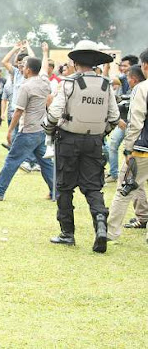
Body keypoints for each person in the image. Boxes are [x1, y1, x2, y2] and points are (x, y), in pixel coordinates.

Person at [43, 40, 119, 253]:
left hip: (68, 140)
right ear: (95, 63)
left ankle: (67, 233)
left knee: (65, 187)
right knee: (93, 186)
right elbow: (113, 117)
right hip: (94, 141)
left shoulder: (68, 83)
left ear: (75, 63)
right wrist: (100, 133)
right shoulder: (106, 85)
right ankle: (101, 225)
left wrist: (49, 131)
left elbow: (54, 114)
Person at [0, 57, 54, 201]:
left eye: (23, 66)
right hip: (41, 129)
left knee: (12, 160)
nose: (21, 69)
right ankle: (56, 192)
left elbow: (18, 111)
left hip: (28, 130)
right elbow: (44, 67)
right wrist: (45, 52)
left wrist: (9, 130)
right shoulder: (45, 82)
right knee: (46, 163)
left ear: (28, 69)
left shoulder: (25, 86)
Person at [107, 56, 148, 243]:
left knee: (124, 189)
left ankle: (110, 232)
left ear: (145, 66)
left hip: (142, 149)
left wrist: (128, 149)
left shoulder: (142, 88)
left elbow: (136, 121)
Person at [105, 55, 139, 183]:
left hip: (137, 123)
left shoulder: (142, 81)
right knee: (112, 145)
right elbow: (107, 80)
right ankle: (114, 174)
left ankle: (135, 176)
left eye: (125, 66)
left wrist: (121, 99)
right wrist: (107, 65)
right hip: (124, 121)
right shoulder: (123, 79)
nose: (122, 68)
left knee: (136, 151)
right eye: (121, 66)